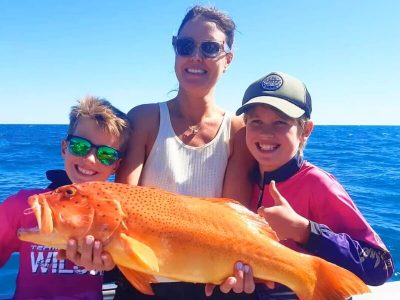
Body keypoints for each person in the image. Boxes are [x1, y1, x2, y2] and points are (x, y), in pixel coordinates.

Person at [61, 5, 259, 300]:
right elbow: (121, 211)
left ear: (227, 59)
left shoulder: (238, 130)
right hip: (144, 287)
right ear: (174, 49)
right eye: (185, 45)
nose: (195, 56)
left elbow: (230, 221)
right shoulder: (144, 119)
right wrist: (98, 250)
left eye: (209, 48)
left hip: (212, 287)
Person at [235, 71, 394, 299]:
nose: (266, 133)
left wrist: (306, 231)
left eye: (281, 122)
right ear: (245, 126)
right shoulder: (241, 179)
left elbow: (381, 267)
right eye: (256, 121)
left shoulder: (317, 184)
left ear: (305, 131)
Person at [0, 96, 130, 299]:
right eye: (80, 146)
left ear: (116, 166)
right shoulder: (23, 206)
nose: (89, 159)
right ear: (64, 148)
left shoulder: (121, 217)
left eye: (106, 154)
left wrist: (113, 265)